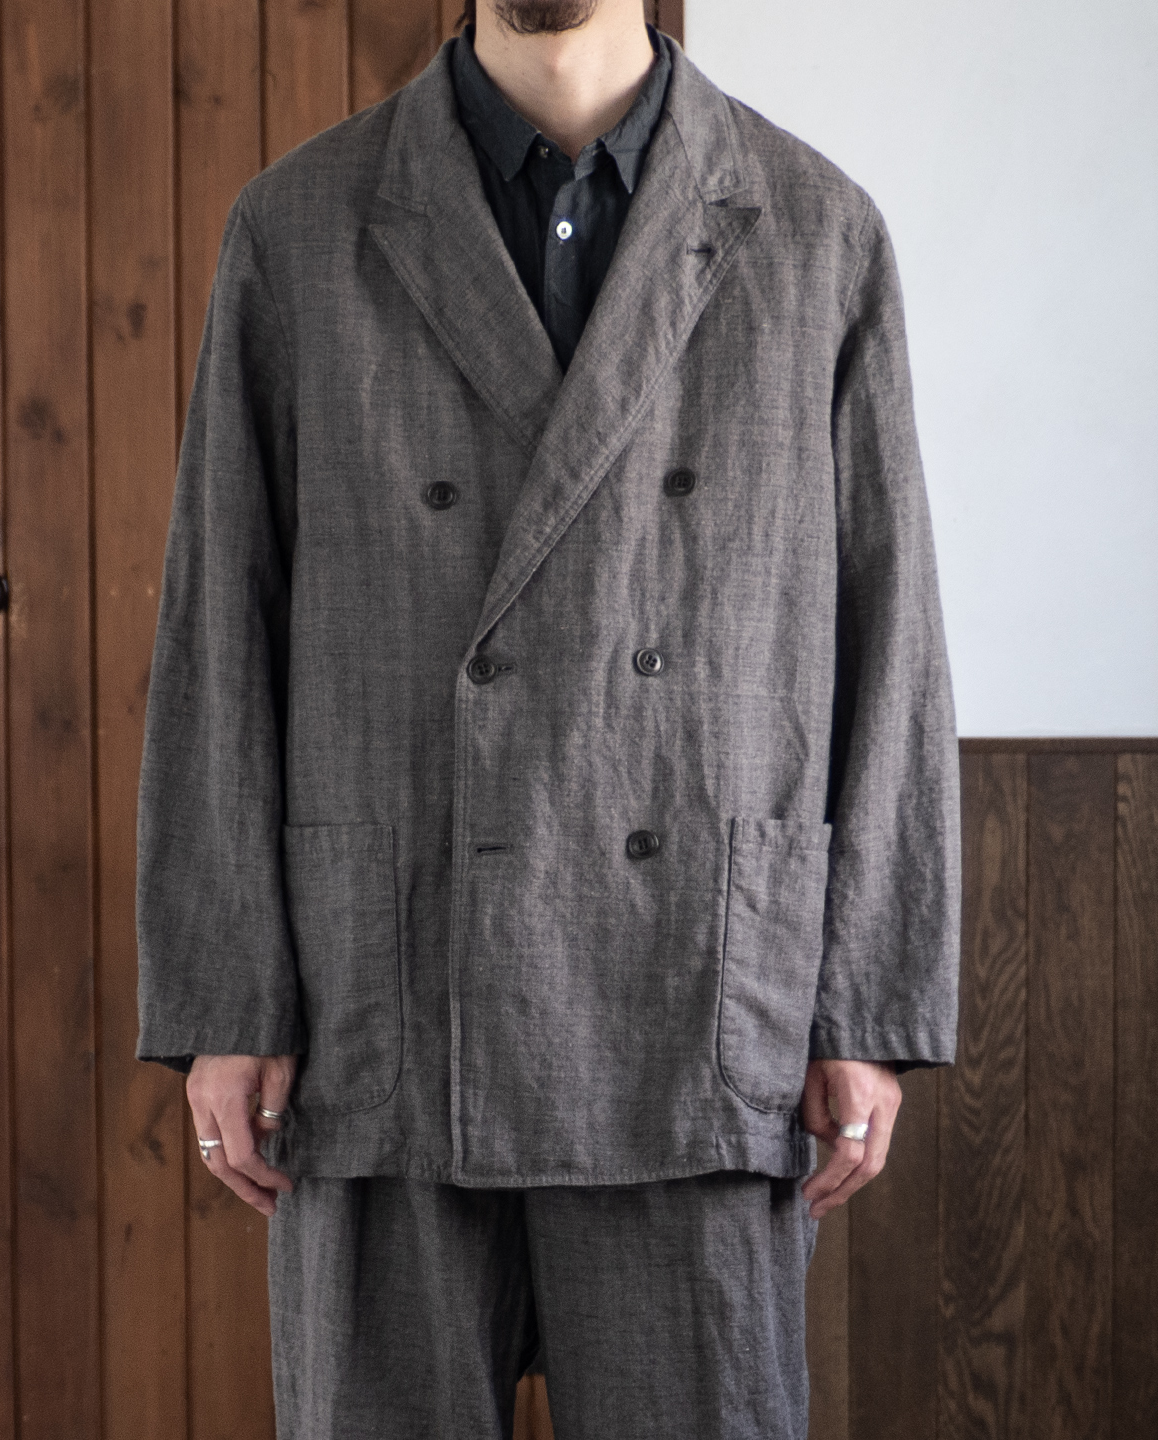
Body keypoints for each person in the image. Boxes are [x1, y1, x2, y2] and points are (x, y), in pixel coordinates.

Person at [135, 1, 961, 1435]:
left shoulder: (817, 232)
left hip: (698, 1002)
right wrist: (226, 996)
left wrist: (867, 1006)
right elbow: (221, 622)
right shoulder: (301, 225)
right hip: (388, 990)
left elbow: (892, 639)